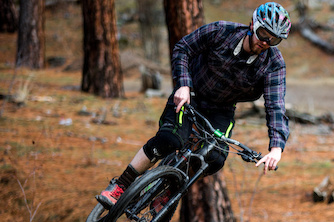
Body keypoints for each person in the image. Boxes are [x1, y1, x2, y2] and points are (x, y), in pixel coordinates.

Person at [97, 2, 291, 208]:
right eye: (263, 33)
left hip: (222, 109)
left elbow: (275, 105)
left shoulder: (274, 64)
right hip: (191, 94)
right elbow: (183, 48)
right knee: (168, 139)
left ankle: (168, 190)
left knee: (215, 159)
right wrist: (183, 85)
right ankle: (120, 186)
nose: (266, 42)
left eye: (274, 39)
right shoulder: (221, 31)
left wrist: (276, 147)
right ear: (253, 25)